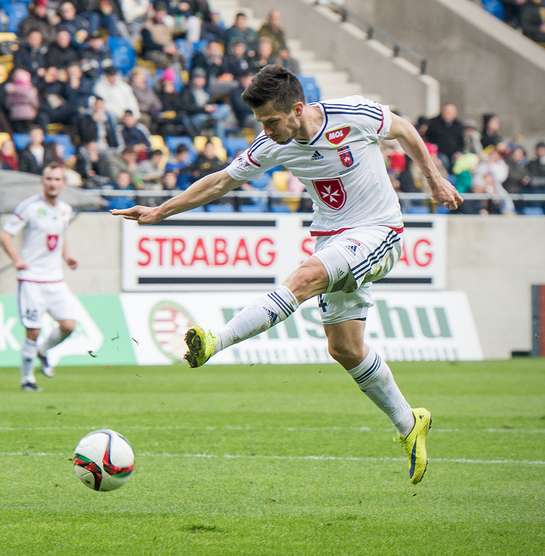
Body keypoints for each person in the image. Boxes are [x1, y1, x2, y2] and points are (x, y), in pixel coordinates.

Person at [112, 65, 463, 486]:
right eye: (260, 122)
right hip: (332, 240)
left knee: (304, 276)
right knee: (345, 349)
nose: (266, 130)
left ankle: (215, 342)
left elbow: (403, 129)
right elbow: (221, 183)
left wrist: (434, 178)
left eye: (272, 121)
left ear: (297, 109)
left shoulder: (352, 114)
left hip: (379, 231)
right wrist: (160, 211)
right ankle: (410, 423)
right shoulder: (272, 144)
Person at [0, 164, 79, 392]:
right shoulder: (30, 207)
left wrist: (66, 256)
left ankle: (42, 351)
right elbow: (4, 235)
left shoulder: (65, 209)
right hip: (31, 279)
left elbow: (60, 235)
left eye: (57, 179)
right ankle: (27, 379)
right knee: (33, 331)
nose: (53, 183)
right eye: (49, 179)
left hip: (55, 278)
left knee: (68, 325)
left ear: (63, 183)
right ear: (42, 181)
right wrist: (16, 259)